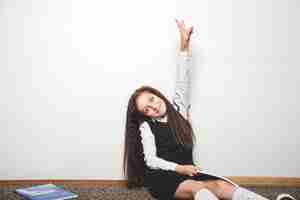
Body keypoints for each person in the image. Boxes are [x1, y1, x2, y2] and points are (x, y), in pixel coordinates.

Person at [123, 20, 297, 200]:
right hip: (163, 177)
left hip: (188, 170)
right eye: (147, 109)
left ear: (157, 94)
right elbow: (151, 161)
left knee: (221, 185)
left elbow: (183, 79)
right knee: (199, 189)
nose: (154, 106)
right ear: (145, 115)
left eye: (152, 99)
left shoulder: (178, 109)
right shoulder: (147, 127)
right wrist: (179, 168)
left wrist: (184, 45)